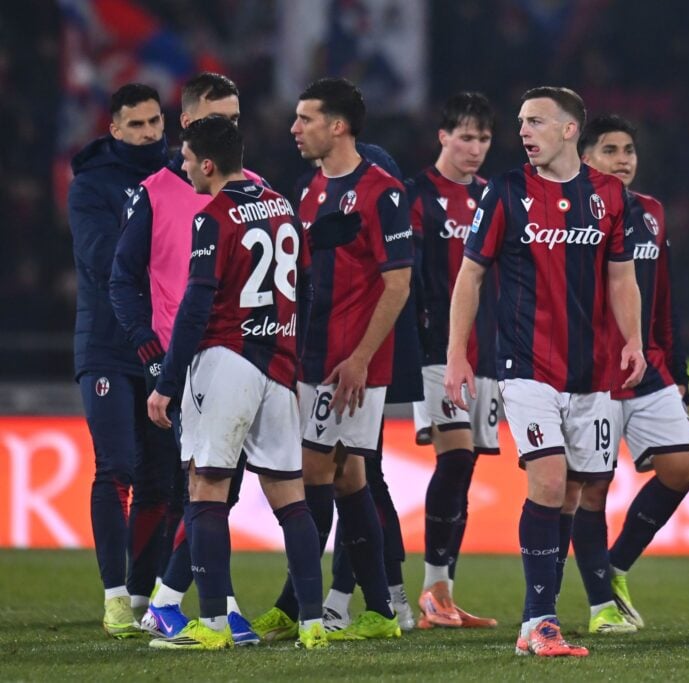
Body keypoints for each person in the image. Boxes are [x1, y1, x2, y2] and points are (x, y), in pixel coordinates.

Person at [445, 87, 646, 657]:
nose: (524, 130)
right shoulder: (506, 191)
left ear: (567, 130)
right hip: (525, 364)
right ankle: (537, 621)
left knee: (576, 493)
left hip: (594, 370)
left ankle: (543, 617)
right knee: (551, 481)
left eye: (535, 121)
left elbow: (621, 276)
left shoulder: (608, 195)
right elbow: (471, 276)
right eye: (520, 121)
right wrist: (458, 353)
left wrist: (633, 340)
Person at [145, 116, 326, 651]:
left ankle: (214, 625)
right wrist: (294, 353)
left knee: (206, 489)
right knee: (290, 498)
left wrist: (167, 381)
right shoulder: (281, 207)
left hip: (227, 360)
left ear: (207, 163)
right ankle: (312, 623)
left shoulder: (214, 216)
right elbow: (309, 290)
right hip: (279, 365)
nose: (181, 166)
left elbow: (197, 303)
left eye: (185, 158)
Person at [251, 77, 410, 643]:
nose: (294, 128)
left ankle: (299, 604)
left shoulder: (382, 192)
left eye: (306, 119)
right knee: (348, 477)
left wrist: (363, 358)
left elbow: (398, 284)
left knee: (318, 473)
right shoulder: (308, 190)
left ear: (337, 126)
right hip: (310, 356)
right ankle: (379, 613)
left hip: (351, 364)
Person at [110, 72, 263, 645]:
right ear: (187, 126)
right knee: (203, 488)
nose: (225, 129)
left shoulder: (254, 191)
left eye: (234, 119)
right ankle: (184, 605)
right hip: (186, 366)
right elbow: (121, 281)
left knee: (217, 488)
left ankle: (192, 604)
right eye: (212, 120)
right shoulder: (151, 194)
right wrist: (152, 355)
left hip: (243, 363)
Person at [576, 114, 689, 632]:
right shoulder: (570, 213)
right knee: (593, 489)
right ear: (585, 158)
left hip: (648, 367)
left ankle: (615, 563)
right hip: (593, 372)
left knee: (682, 469)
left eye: (629, 149)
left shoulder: (651, 213)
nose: (623, 158)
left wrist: (679, 365)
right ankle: (602, 605)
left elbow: (663, 295)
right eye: (610, 150)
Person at [68, 82, 173, 638]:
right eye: (136, 125)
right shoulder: (91, 186)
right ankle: (113, 598)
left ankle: (138, 598)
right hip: (108, 344)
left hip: (160, 348)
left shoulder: (177, 177)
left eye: (156, 122)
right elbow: (103, 260)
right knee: (116, 468)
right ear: (114, 129)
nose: (149, 133)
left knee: (160, 480)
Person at [406, 92, 500, 629]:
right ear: (443, 136)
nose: (475, 148)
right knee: (456, 459)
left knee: (463, 474)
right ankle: (429, 590)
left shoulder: (492, 197)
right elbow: (407, 277)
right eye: (466, 136)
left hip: (485, 354)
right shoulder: (416, 196)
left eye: (484, 139)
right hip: (435, 351)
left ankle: (441, 594)